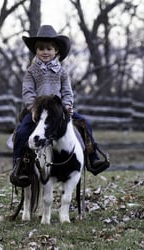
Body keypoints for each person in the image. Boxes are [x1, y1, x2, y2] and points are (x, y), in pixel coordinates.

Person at [10, 25, 110, 187]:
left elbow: (67, 92)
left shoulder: (62, 72)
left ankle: (92, 158)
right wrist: (33, 108)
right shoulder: (31, 72)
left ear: (56, 51)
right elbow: (27, 92)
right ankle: (19, 167)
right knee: (22, 132)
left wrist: (67, 105)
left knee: (84, 123)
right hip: (37, 110)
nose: (45, 52)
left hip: (58, 111)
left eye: (49, 48)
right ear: (36, 51)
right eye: (41, 48)